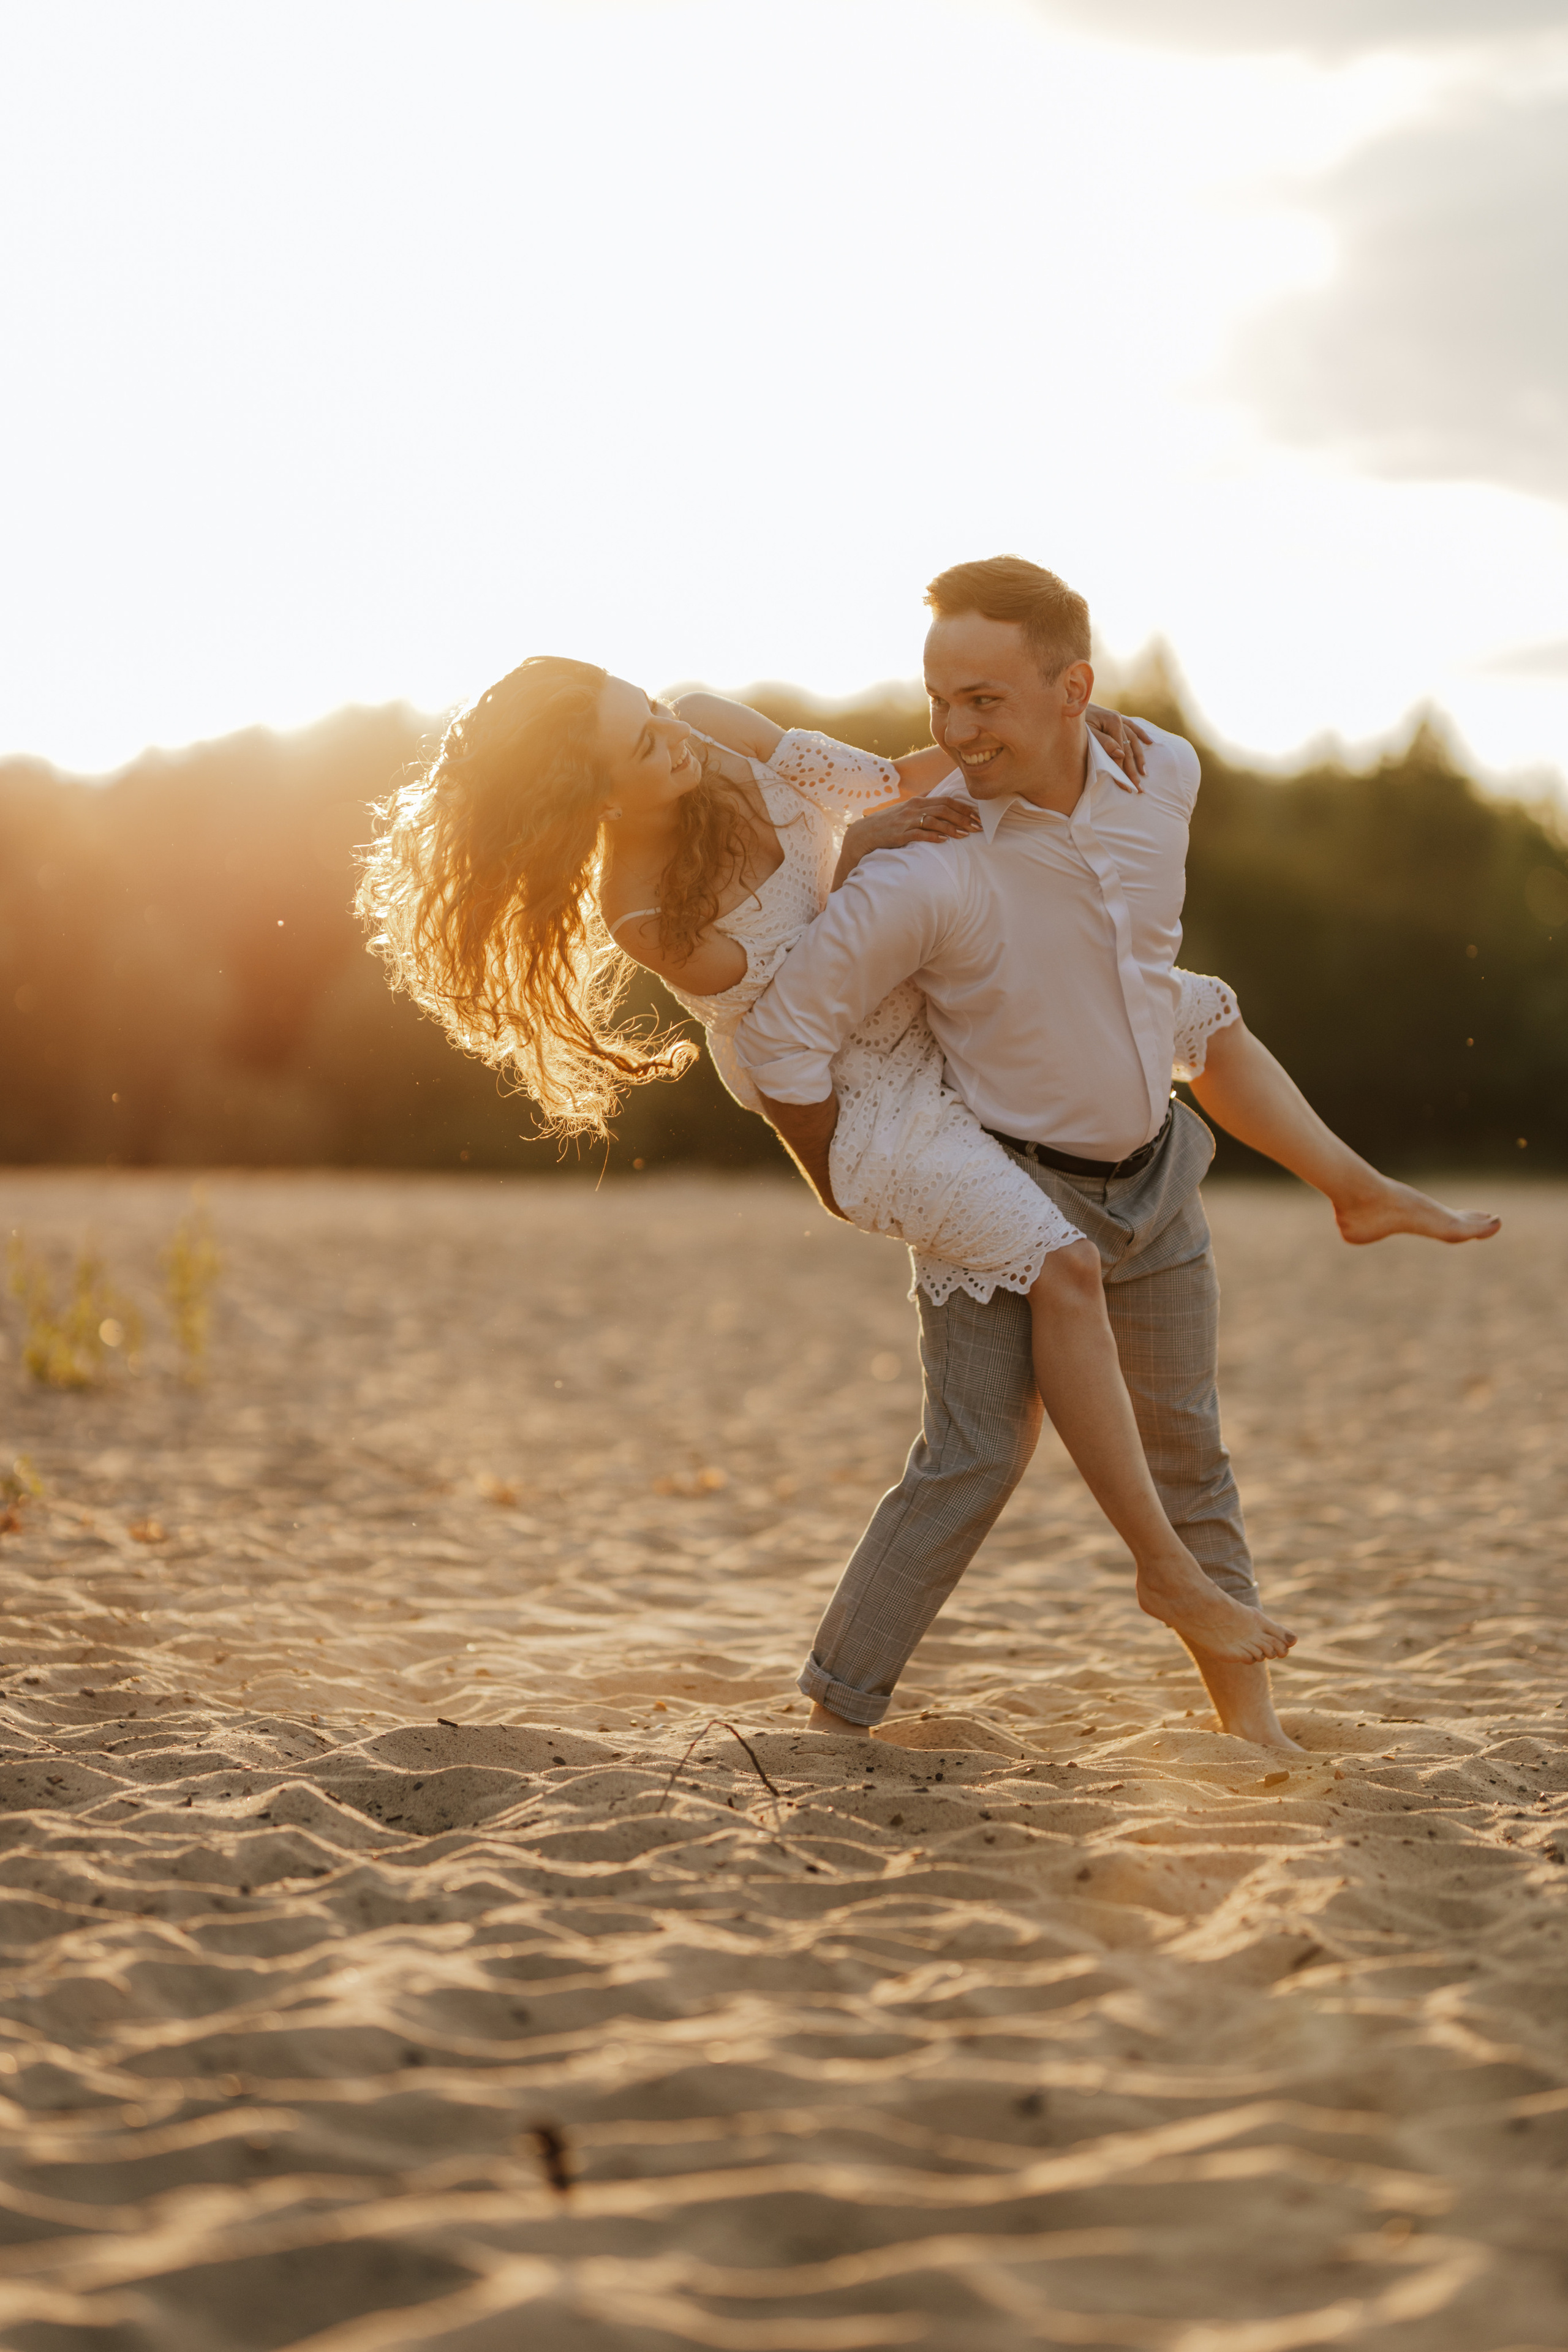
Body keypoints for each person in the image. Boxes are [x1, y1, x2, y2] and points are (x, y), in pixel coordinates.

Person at [356, 601, 1496, 1736]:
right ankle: (1159, 1569)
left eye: (649, 703)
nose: (674, 732)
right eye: (640, 743)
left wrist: (1077, 736)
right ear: (594, 798)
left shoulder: (710, 721)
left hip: (927, 991)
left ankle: (1352, 1187)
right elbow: (803, 1005)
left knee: (1184, 1008)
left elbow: (891, 783)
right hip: (861, 1094)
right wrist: (861, 881)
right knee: (1056, 1284)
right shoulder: (644, 909)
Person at [731, 556, 1496, 1752]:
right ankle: (835, 1713)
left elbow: (1128, 877)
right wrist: (838, 1180)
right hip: (1007, 1186)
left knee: (1192, 1455)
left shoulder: (1162, 776)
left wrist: (1100, 733)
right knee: (971, 1460)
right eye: (940, 698)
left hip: (1153, 1175)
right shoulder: (923, 873)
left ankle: (1252, 1732)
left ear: (1071, 688)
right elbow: (781, 1040)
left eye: (985, 698)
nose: (952, 728)